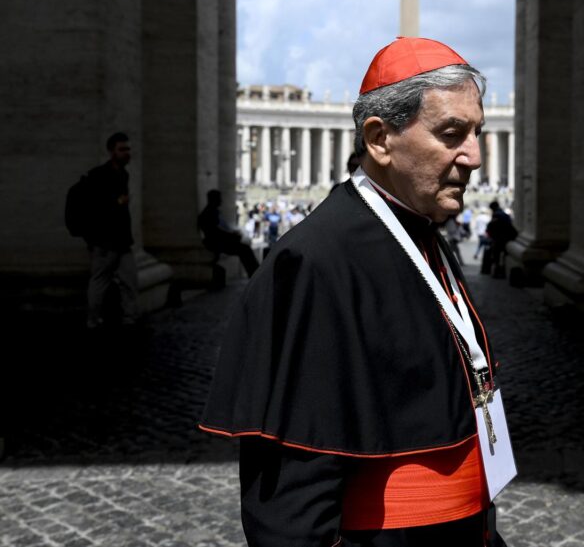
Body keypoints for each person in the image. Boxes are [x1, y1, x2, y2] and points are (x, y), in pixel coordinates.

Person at [200, 37, 514, 547]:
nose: (475, 157)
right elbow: (292, 498)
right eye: (453, 133)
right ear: (379, 139)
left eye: (478, 133)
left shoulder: (419, 230)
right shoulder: (317, 262)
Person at [83, 132, 138, 329]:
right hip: (104, 241)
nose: (127, 153)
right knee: (100, 282)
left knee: (130, 280)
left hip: (122, 240)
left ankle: (130, 318)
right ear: (111, 152)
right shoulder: (99, 175)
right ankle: (94, 320)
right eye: (122, 149)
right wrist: (117, 202)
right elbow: (94, 207)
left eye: (128, 149)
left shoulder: (124, 174)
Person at [198, 189, 260, 278]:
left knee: (244, 249)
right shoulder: (209, 213)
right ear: (214, 199)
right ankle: (255, 274)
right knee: (245, 250)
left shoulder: (210, 212)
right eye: (219, 198)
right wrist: (232, 236)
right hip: (215, 242)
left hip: (215, 241)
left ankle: (254, 273)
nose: (221, 201)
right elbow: (215, 232)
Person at [485, 202, 517, 278]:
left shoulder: (497, 214)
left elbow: (492, 226)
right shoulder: (504, 214)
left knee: (496, 255)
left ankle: (497, 272)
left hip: (499, 238)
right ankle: (503, 271)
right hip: (507, 238)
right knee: (504, 255)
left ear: (493, 208)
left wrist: (491, 235)